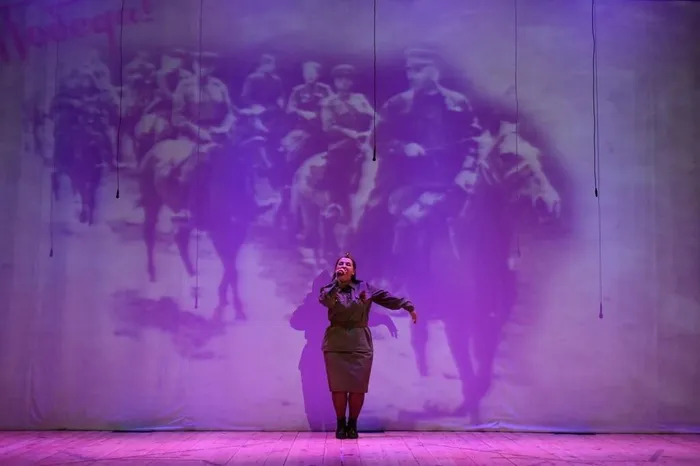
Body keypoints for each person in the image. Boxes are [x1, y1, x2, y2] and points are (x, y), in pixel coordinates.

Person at [318, 253, 418, 439]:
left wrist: (407, 306)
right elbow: (326, 301)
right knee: (338, 387)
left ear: (354, 271)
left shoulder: (365, 287)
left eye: (348, 264)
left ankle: (352, 424)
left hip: (360, 342)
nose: (344, 266)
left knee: (358, 387)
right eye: (340, 264)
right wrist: (337, 283)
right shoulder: (328, 289)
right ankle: (340, 424)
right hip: (336, 342)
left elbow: (387, 298)